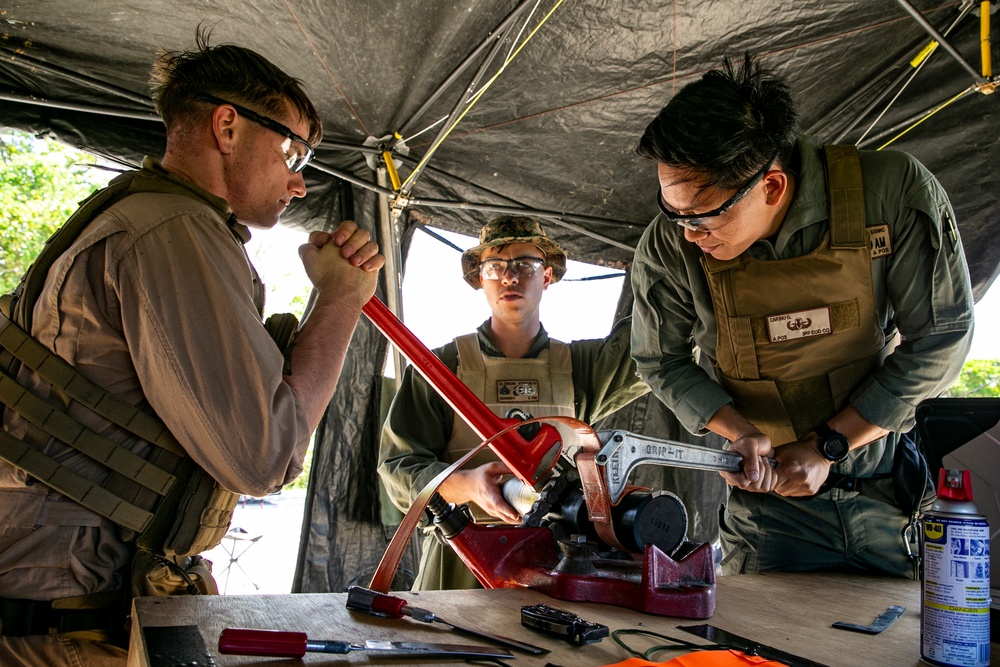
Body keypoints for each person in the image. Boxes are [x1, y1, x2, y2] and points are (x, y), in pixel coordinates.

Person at [0, 29, 383, 665]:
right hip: (68, 618)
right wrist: (342, 301)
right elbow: (262, 456)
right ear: (227, 127)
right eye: (293, 152)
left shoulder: (132, 214)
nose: (297, 183)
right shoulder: (175, 230)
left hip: (57, 601)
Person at [630, 54, 974, 579]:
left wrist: (828, 445)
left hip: (884, 496)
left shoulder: (889, 193)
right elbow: (659, 358)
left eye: (703, 215)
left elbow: (943, 339)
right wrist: (738, 431)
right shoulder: (671, 245)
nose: (687, 234)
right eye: (672, 211)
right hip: (768, 520)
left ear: (771, 186)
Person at [378, 215, 648, 590]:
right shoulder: (440, 369)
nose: (510, 277)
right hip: (459, 565)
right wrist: (468, 485)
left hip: (557, 568)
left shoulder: (583, 369)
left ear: (547, 276)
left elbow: (657, 345)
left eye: (526, 264)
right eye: (495, 266)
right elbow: (397, 469)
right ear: (480, 279)